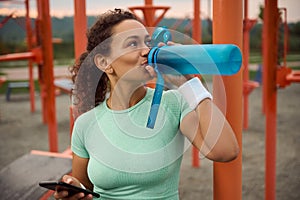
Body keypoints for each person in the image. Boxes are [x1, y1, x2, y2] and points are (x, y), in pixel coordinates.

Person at [54, 8, 239, 200]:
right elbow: (84, 190)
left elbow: (225, 151)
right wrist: (74, 191)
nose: (146, 51)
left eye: (147, 42)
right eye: (133, 43)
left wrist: (190, 84)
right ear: (104, 62)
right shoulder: (86, 124)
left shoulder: (173, 103)